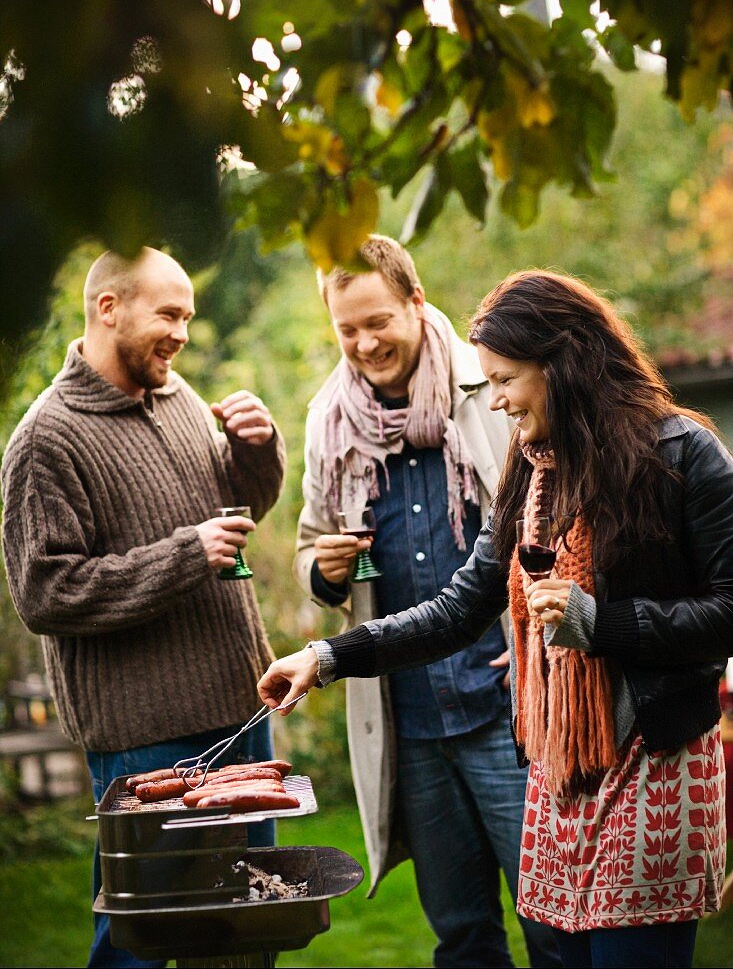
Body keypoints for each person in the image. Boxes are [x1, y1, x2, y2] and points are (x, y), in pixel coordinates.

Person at [261, 269, 733, 969]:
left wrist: (602, 624)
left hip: (653, 766)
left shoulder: (681, 453)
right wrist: (329, 656)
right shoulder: (532, 467)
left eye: (506, 380)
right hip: (560, 772)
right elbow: (459, 608)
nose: (497, 401)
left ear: (564, 363)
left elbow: (726, 611)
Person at [1, 248, 285, 969]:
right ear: (108, 309)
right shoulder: (46, 438)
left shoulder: (179, 397)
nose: (182, 332)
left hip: (239, 716)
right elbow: (44, 591)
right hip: (147, 742)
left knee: (246, 933)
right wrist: (183, 555)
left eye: (187, 316)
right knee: (142, 943)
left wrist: (256, 454)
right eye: (169, 314)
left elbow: (230, 521)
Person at [293, 237, 559, 967]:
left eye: (377, 320)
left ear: (415, 301)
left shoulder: (491, 388)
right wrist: (325, 571)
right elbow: (307, 550)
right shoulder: (329, 421)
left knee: (553, 922)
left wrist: (542, 634)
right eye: (346, 329)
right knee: (461, 933)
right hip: (408, 722)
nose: (363, 342)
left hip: (507, 704)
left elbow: (558, 515)